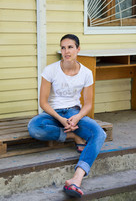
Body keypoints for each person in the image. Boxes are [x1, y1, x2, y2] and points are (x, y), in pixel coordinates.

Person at [28, 34, 106, 198]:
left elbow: (88, 104)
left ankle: (77, 178)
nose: (66, 51)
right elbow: (43, 102)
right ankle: (72, 135)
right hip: (53, 113)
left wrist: (76, 118)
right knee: (34, 127)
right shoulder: (50, 70)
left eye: (70, 47)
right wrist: (61, 119)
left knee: (100, 134)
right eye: (63, 47)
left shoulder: (86, 73)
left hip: (73, 113)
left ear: (78, 49)